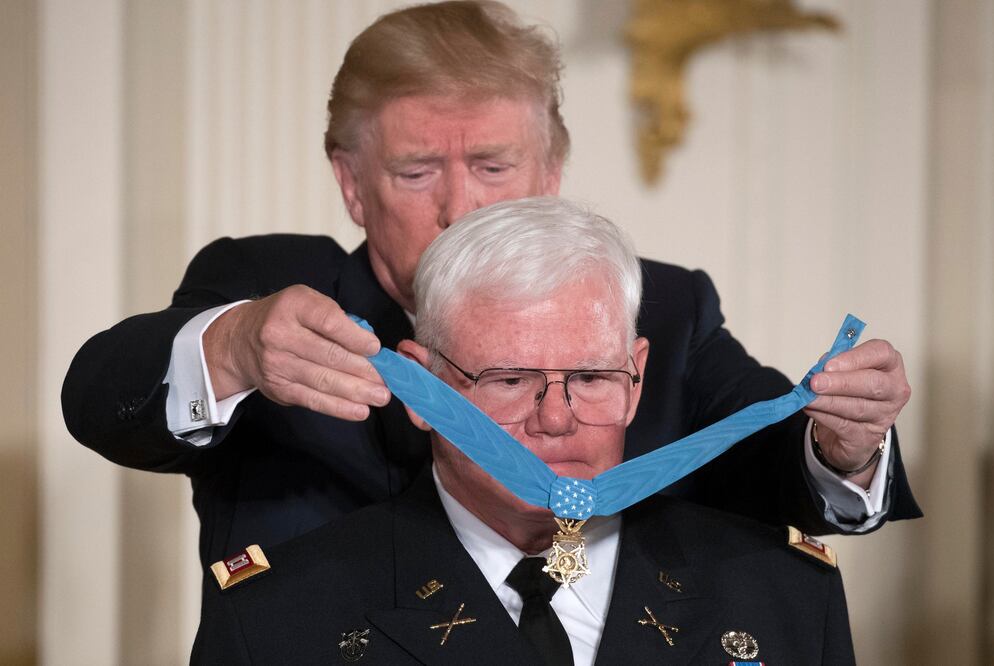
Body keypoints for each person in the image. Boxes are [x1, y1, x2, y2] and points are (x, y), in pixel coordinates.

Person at [62, 0, 918, 569]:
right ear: (351, 183)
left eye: (491, 164)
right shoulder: (265, 286)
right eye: (415, 171)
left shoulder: (659, 305)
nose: (459, 205)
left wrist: (844, 447)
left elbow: (772, 466)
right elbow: (99, 400)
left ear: (550, 172)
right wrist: (232, 344)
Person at [192, 198, 855, 665]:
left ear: (637, 378)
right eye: (508, 381)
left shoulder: (785, 593)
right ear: (422, 392)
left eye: (593, 377)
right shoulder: (277, 618)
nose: (557, 418)